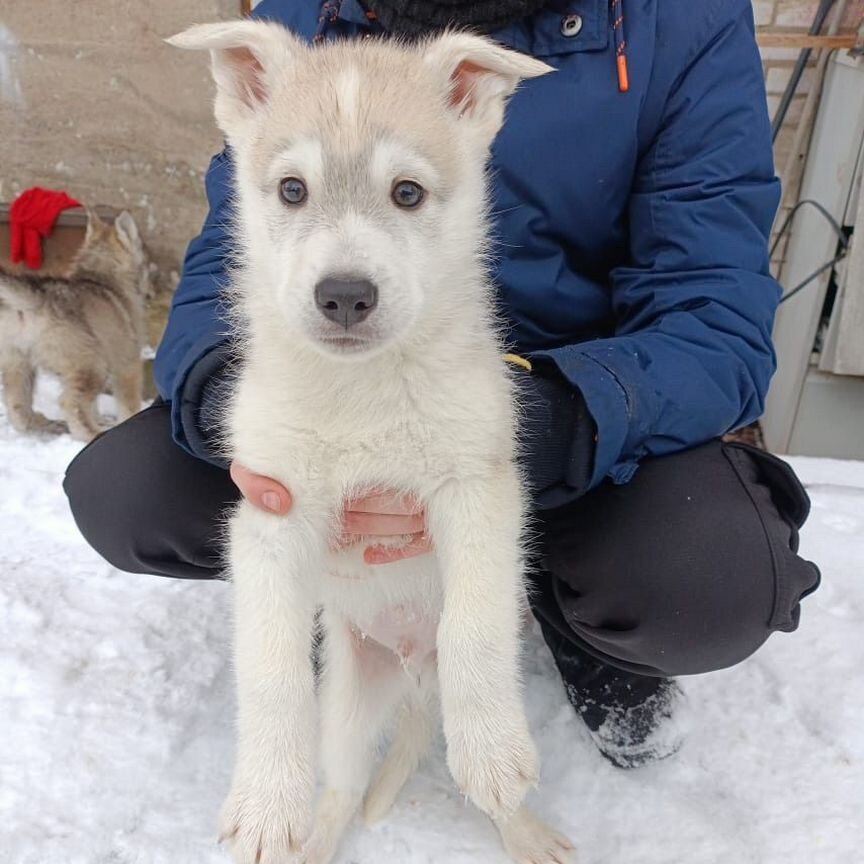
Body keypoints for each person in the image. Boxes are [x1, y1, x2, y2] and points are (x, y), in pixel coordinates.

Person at [64, 0, 820, 768]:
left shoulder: (679, 21)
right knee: (130, 490)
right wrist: (250, 411)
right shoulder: (310, 18)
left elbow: (713, 311)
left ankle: (572, 612)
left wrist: (558, 424)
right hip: (335, 394)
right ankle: (349, 599)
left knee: (704, 578)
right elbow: (226, 258)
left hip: (574, 416)